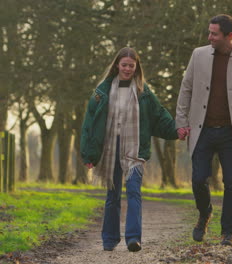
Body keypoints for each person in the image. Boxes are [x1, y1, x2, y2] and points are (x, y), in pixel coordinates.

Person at [80, 47, 178, 252]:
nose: (127, 69)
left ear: (136, 67)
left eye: (131, 66)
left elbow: (159, 115)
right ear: (117, 65)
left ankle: (134, 238)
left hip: (134, 149)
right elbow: (90, 122)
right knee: (112, 195)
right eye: (124, 65)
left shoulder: (144, 92)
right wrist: (89, 154)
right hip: (110, 148)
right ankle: (109, 239)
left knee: (134, 191)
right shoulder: (102, 91)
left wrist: (177, 130)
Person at [175, 14, 232, 246]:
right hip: (201, 129)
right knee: (198, 178)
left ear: (229, 36)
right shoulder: (198, 54)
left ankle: (227, 232)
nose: (209, 37)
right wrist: (181, 122)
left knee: (231, 182)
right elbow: (186, 89)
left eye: (214, 33)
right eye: (209, 32)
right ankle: (204, 214)